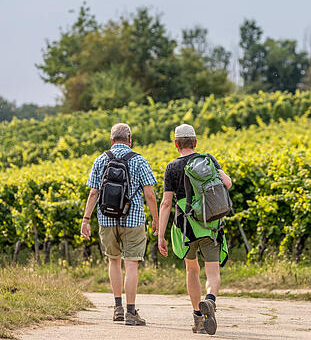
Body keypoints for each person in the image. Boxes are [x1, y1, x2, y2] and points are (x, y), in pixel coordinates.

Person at [81, 123, 159, 326]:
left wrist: (86, 219)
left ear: (111, 140)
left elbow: (93, 193)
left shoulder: (100, 160)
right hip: (133, 220)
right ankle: (131, 313)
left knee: (113, 261)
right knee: (131, 264)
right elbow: (150, 195)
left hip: (106, 218)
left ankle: (117, 309)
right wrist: (156, 221)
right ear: (130, 139)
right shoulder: (139, 161)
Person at [158, 123, 232, 335]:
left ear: (176, 144)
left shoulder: (171, 167)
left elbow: (165, 203)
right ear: (195, 142)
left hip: (185, 228)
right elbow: (227, 183)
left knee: (192, 270)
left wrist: (161, 235)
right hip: (210, 224)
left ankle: (197, 317)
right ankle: (210, 300)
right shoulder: (207, 159)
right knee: (213, 271)